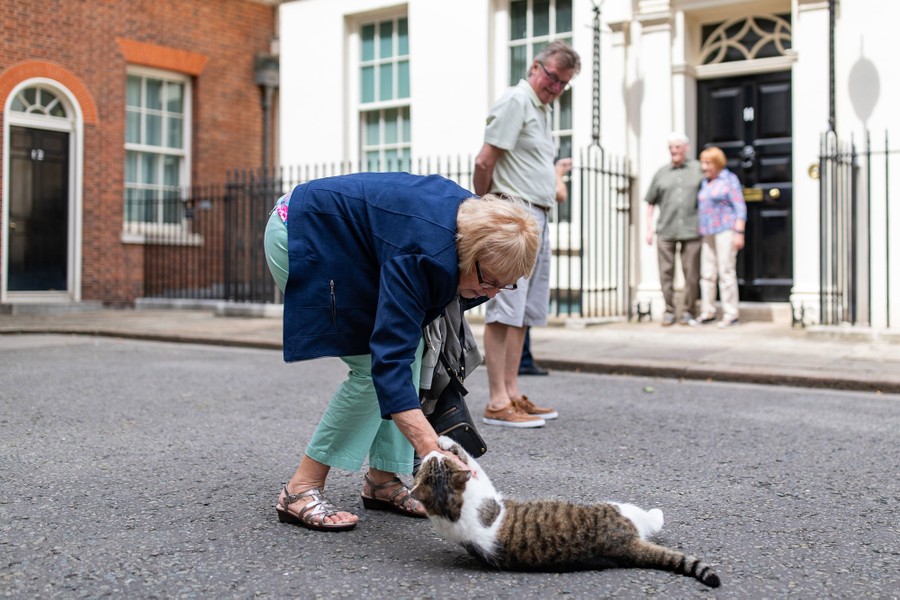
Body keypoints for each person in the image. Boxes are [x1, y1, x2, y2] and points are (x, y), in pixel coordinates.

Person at [263, 172, 540, 531]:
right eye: (488, 280)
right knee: (369, 365)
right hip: (302, 231)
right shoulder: (426, 254)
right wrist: (431, 450)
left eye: (505, 285)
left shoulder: (472, 233)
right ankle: (300, 489)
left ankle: (382, 480)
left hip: (353, 243)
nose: (491, 294)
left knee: (412, 347)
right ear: (468, 253)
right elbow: (388, 361)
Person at [473, 40, 580, 428]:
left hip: (538, 214)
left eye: (563, 85)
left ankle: (513, 393)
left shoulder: (540, 109)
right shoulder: (516, 100)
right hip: (514, 212)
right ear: (535, 67)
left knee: (523, 314)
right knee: (504, 309)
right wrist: (484, 208)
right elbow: (485, 160)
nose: (556, 89)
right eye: (552, 79)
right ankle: (497, 401)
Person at [644, 132, 705, 327]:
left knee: (691, 274)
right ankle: (670, 310)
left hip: (692, 229)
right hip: (665, 229)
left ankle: (688, 311)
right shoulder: (661, 173)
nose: (674, 150)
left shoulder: (698, 169)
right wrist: (648, 229)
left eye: (678, 147)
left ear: (686, 148)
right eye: (671, 147)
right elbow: (650, 202)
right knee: (666, 273)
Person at [697, 146, 747, 328]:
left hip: (726, 229)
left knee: (726, 272)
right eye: (703, 162)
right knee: (707, 273)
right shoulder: (705, 182)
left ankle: (730, 313)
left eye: (708, 162)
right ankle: (708, 311)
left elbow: (740, 207)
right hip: (707, 231)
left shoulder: (729, 179)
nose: (704, 166)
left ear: (717, 163)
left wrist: (739, 232)